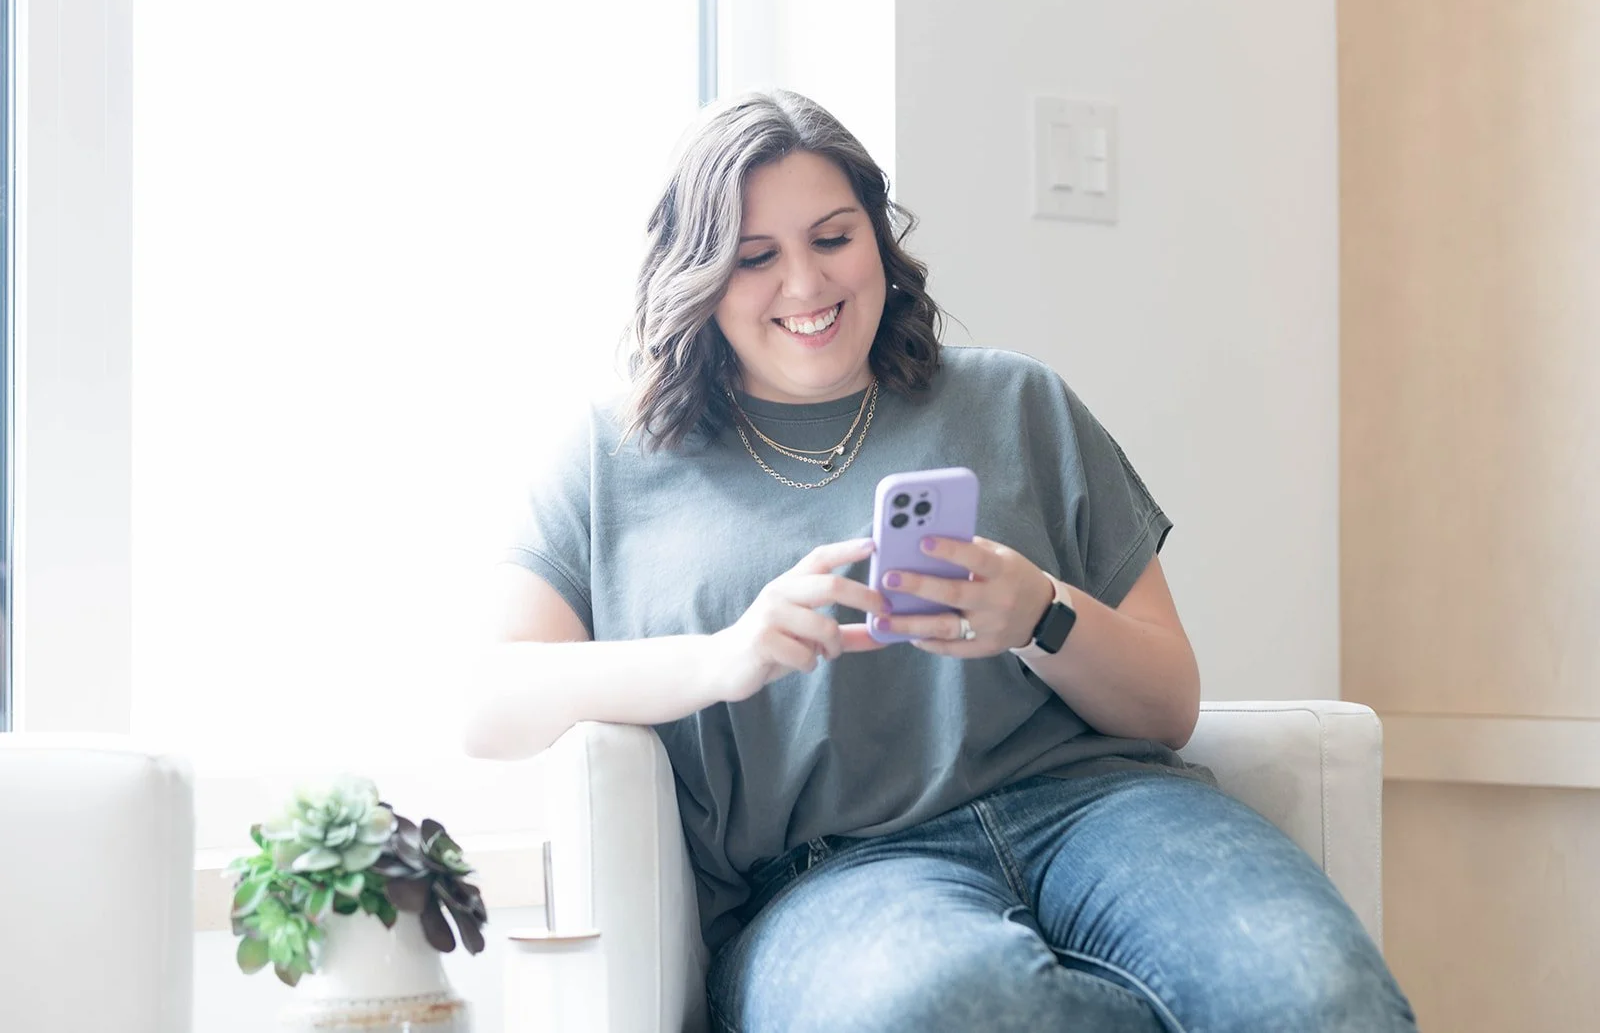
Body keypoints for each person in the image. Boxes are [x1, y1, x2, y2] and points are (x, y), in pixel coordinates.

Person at [463, 90, 1416, 1033]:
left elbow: (1169, 703)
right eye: (756, 258)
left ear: (877, 237)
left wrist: (1042, 613)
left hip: (1104, 812)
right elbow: (489, 706)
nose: (804, 285)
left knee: (1319, 992)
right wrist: (727, 655)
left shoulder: (1018, 401)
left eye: (833, 238)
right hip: (831, 874)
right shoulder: (612, 457)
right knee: (958, 1011)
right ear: (699, 278)